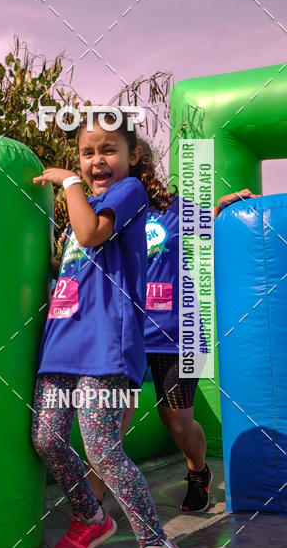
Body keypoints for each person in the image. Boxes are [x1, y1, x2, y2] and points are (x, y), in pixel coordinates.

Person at [32, 112, 186, 548]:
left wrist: (71, 183)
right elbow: (69, 263)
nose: (97, 160)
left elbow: (93, 232)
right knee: (47, 438)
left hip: (107, 347)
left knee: (101, 448)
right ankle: (91, 517)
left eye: (107, 150)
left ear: (131, 156)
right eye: (86, 152)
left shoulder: (130, 195)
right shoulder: (81, 209)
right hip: (62, 345)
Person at [87, 136, 259, 513]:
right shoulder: (104, 215)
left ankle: (198, 472)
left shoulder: (173, 209)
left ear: (136, 165)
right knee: (111, 423)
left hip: (177, 334)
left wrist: (224, 210)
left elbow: (211, 224)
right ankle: (92, 508)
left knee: (177, 421)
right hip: (124, 335)